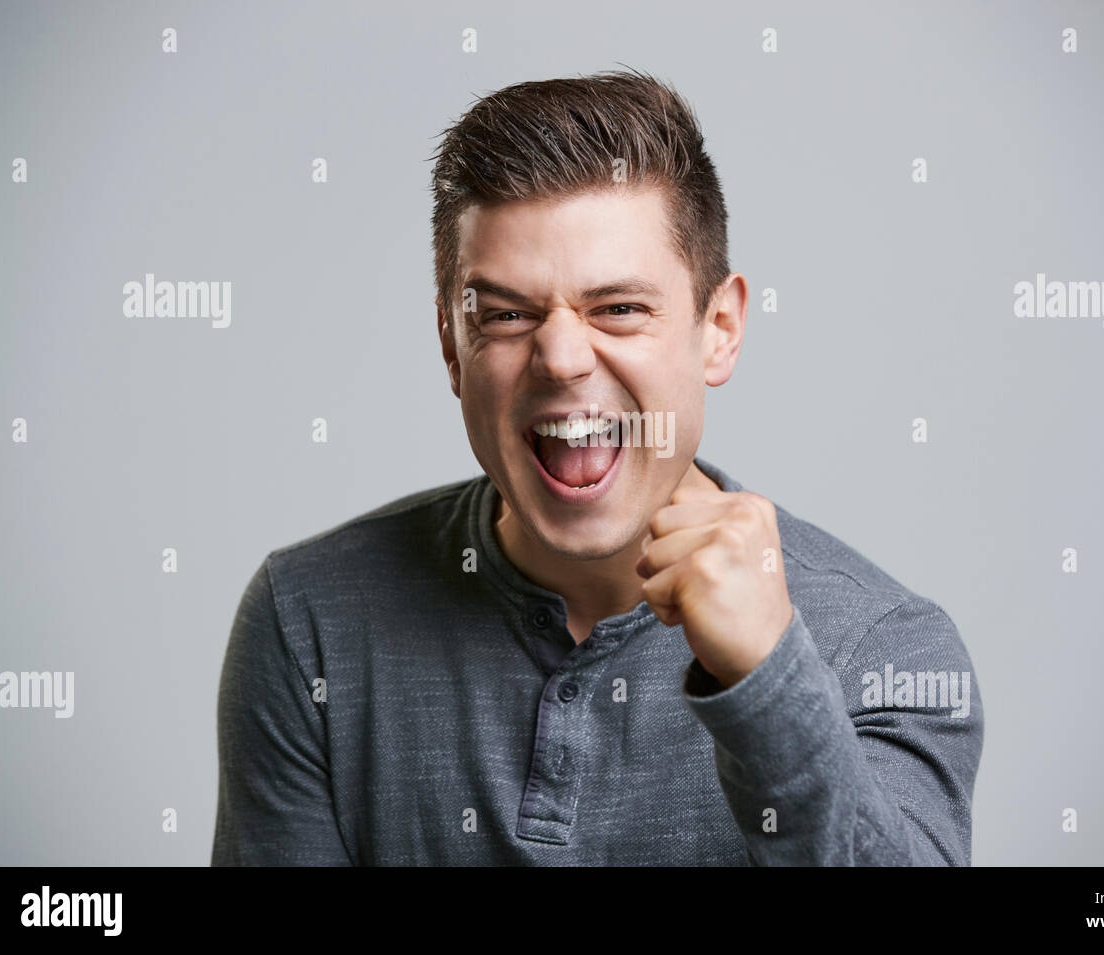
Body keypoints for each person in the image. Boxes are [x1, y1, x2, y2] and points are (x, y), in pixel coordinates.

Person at [211, 67, 983, 866]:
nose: (561, 357)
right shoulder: (308, 622)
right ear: (451, 347)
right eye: (506, 315)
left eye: (618, 308)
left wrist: (768, 678)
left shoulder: (888, 648)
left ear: (718, 328)